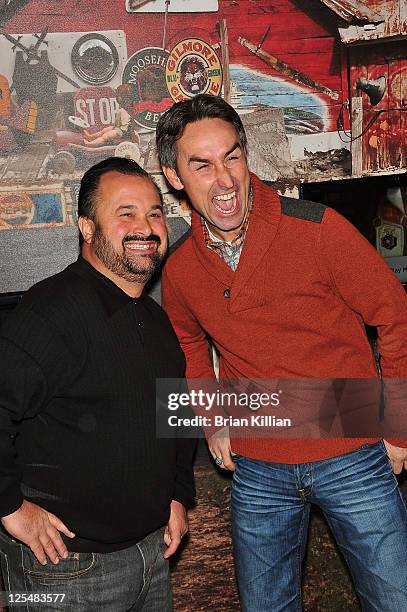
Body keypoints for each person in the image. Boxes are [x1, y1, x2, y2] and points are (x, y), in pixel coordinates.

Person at [155, 94, 407, 611]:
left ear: (247, 156)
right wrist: (214, 419)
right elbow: (188, 343)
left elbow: (395, 313)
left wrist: (398, 425)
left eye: (231, 157)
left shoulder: (316, 230)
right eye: (201, 165)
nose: (223, 180)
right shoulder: (180, 268)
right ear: (174, 176)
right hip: (259, 466)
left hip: (352, 451)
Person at [0, 157, 195, 611]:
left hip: (152, 554)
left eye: (153, 213)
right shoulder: (51, 312)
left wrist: (177, 494)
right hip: (65, 569)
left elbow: (177, 414)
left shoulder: (154, 318)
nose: (145, 226)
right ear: (87, 229)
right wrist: (10, 508)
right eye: (125, 213)